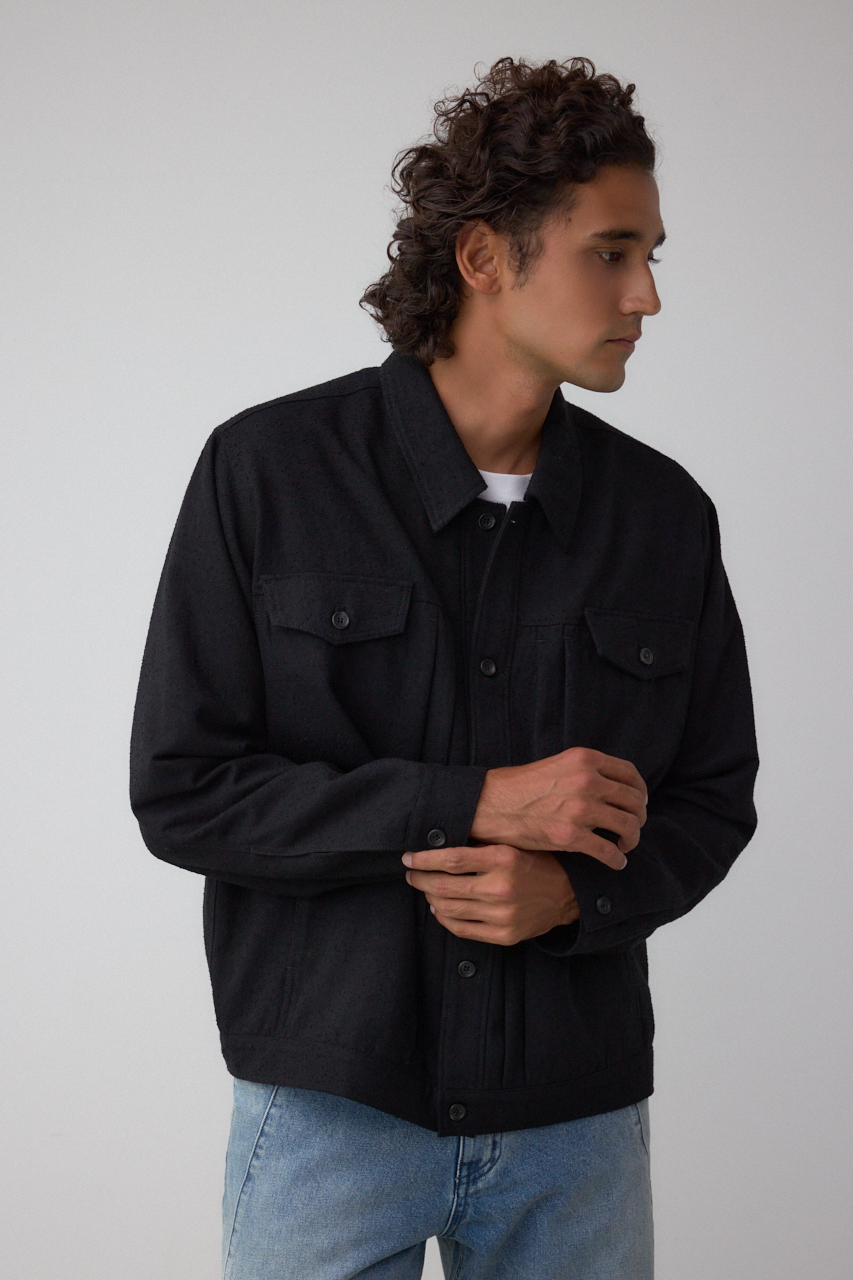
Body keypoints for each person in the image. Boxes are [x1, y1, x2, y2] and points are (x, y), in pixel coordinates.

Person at [130, 56, 758, 1280]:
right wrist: (471, 801)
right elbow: (185, 790)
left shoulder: (663, 517)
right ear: (483, 257)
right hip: (328, 1115)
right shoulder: (267, 472)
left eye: (650, 255)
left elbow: (710, 797)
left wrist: (576, 901)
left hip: (574, 1130)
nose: (645, 294)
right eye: (610, 252)